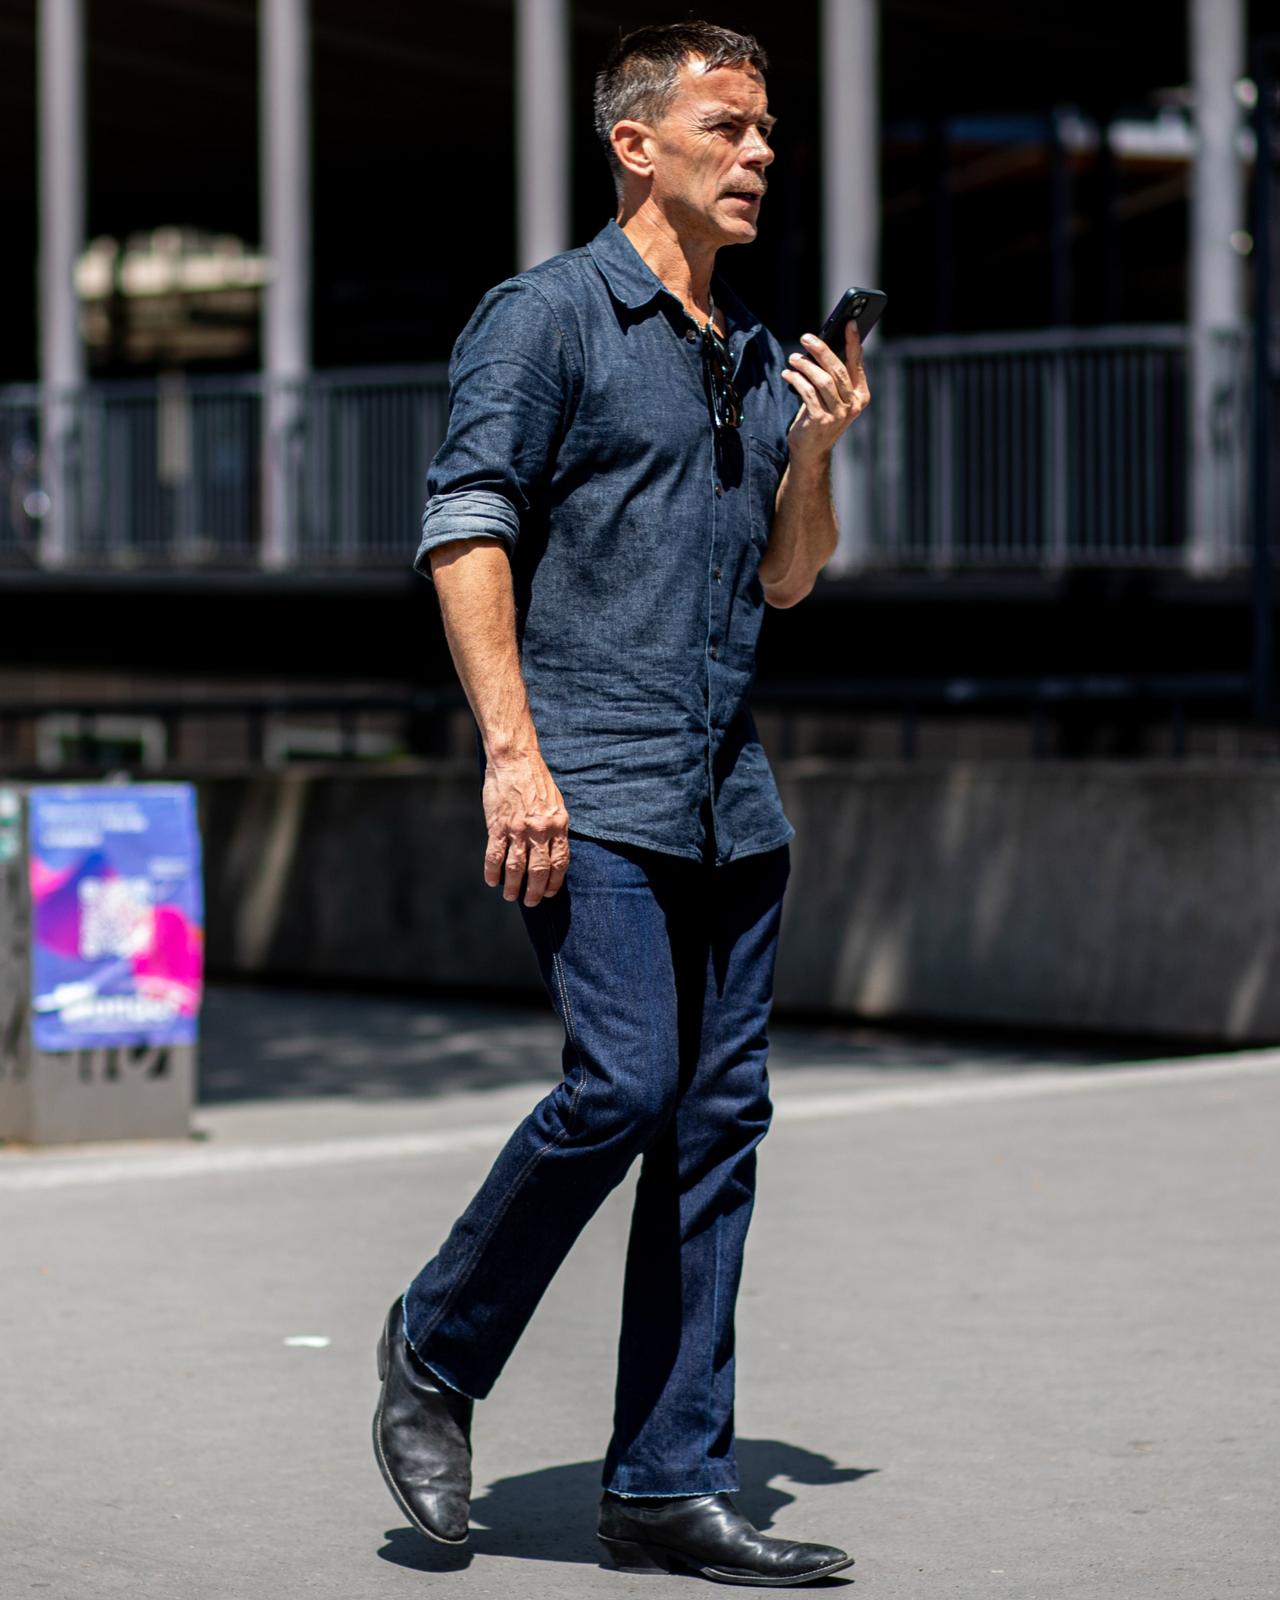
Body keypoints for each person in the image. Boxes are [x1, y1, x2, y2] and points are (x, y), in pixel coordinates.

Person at [372, 19, 870, 1587]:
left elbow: (790, 582)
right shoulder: (544, 322)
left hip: (731, 797)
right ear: (635, 144)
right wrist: (514, 754)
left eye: (771, 131)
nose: (763, 153)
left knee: (719, 1129)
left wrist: (814, 455)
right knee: (627, 1087)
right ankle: (436, 1347)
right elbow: (466, 533)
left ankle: (668, 1478)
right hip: (589, 786)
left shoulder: (748, 345)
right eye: (730, 125)